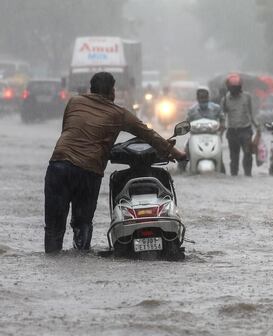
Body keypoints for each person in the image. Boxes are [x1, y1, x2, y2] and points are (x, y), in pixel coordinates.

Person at [45, 71, 185, 253]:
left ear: (91, 89)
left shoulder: (74, 102)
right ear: (112, 92)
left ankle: (52, 259)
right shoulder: (118, 113)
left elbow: (69, 130)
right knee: (82, 223)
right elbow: (149, 134)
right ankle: (80, 258)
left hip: (58, 165)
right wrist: (176, 153)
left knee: (54, 226)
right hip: (88, 171)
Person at [220, 73, 257, 176]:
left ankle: (248, 174)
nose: (235, 90)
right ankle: (234, 175)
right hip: (232, 131)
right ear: (228, 88)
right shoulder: (225, 99)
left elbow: (251, 113)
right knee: (234, 156)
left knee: (248, 154)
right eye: (233, 88)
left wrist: (258, 128)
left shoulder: (247, 97)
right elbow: (222, 115)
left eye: (237, 87)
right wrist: (220, 131)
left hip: (245, 130)